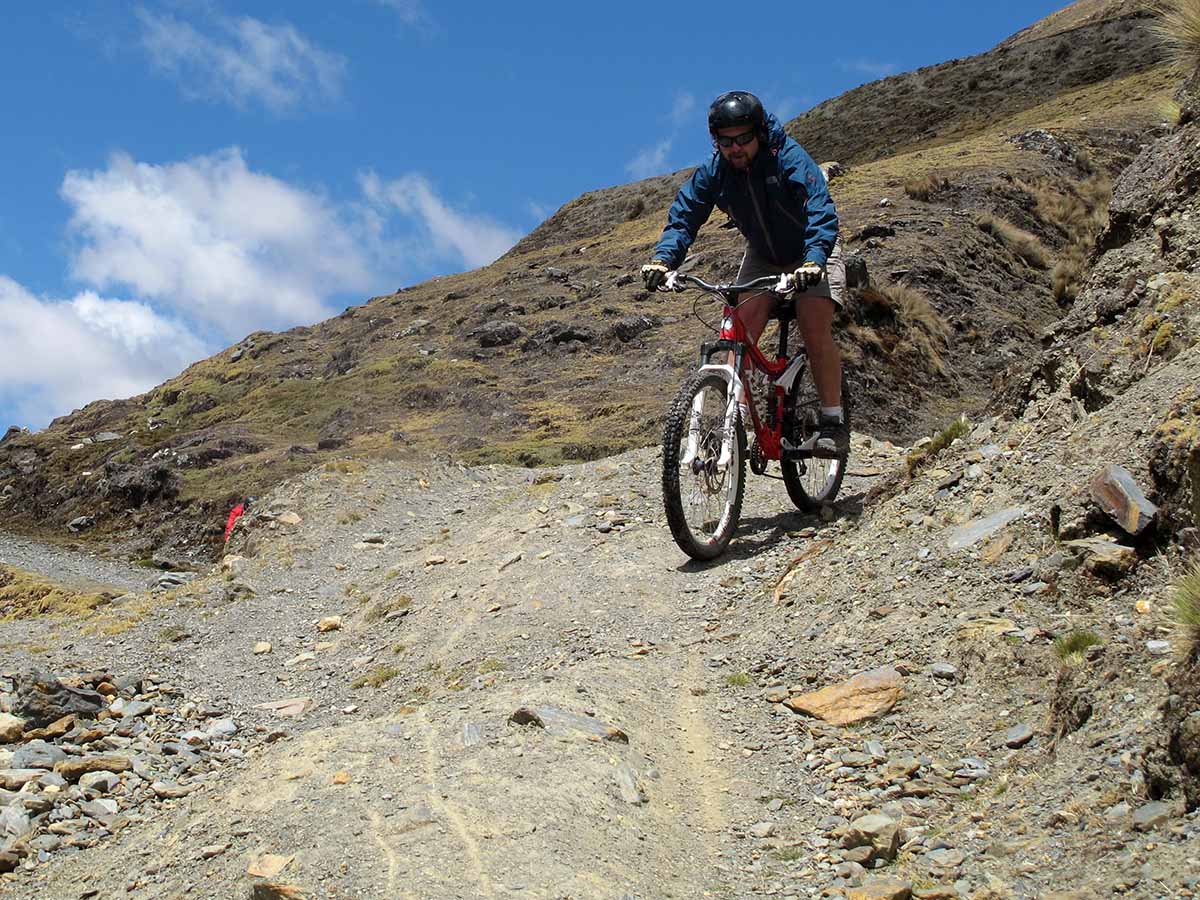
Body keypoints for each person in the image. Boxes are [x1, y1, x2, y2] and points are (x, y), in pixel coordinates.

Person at [642, 90, 847, 456]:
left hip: (812, 250)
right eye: (726, 141)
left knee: (814, 326)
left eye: (743, 139)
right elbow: (686, 214)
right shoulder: (715, 172)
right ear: (715, 141)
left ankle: (833, 421)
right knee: (739, 330)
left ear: (760, 134)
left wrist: (814, 260)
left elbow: (820, 209)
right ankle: (732, 421)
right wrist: (664, 259)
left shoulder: (788, 158)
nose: (735, 148)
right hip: (764, 255)